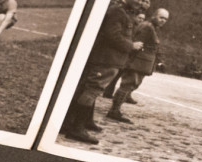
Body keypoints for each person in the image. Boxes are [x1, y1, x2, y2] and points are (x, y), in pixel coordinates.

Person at [60, 0, 144, 144]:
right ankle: (77, 128)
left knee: (88, 90)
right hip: (106, 60)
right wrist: (132, 46)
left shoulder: (124, 13)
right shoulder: (118, 12)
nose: (140, 3)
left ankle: (71, 124)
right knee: (91, 91)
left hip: (111, 60)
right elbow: (112, 36)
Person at [107, 8, 169, 124]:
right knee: (127, 85)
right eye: (161, 17)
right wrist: (129, 62)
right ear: (154, 16)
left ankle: (116, 110)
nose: (163, 21)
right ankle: (114, 111)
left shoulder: (152, 28)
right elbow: (136, 44)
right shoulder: (147, 27)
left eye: (165, 19)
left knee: (131, 86)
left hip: (141, 63)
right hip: (137, 62)